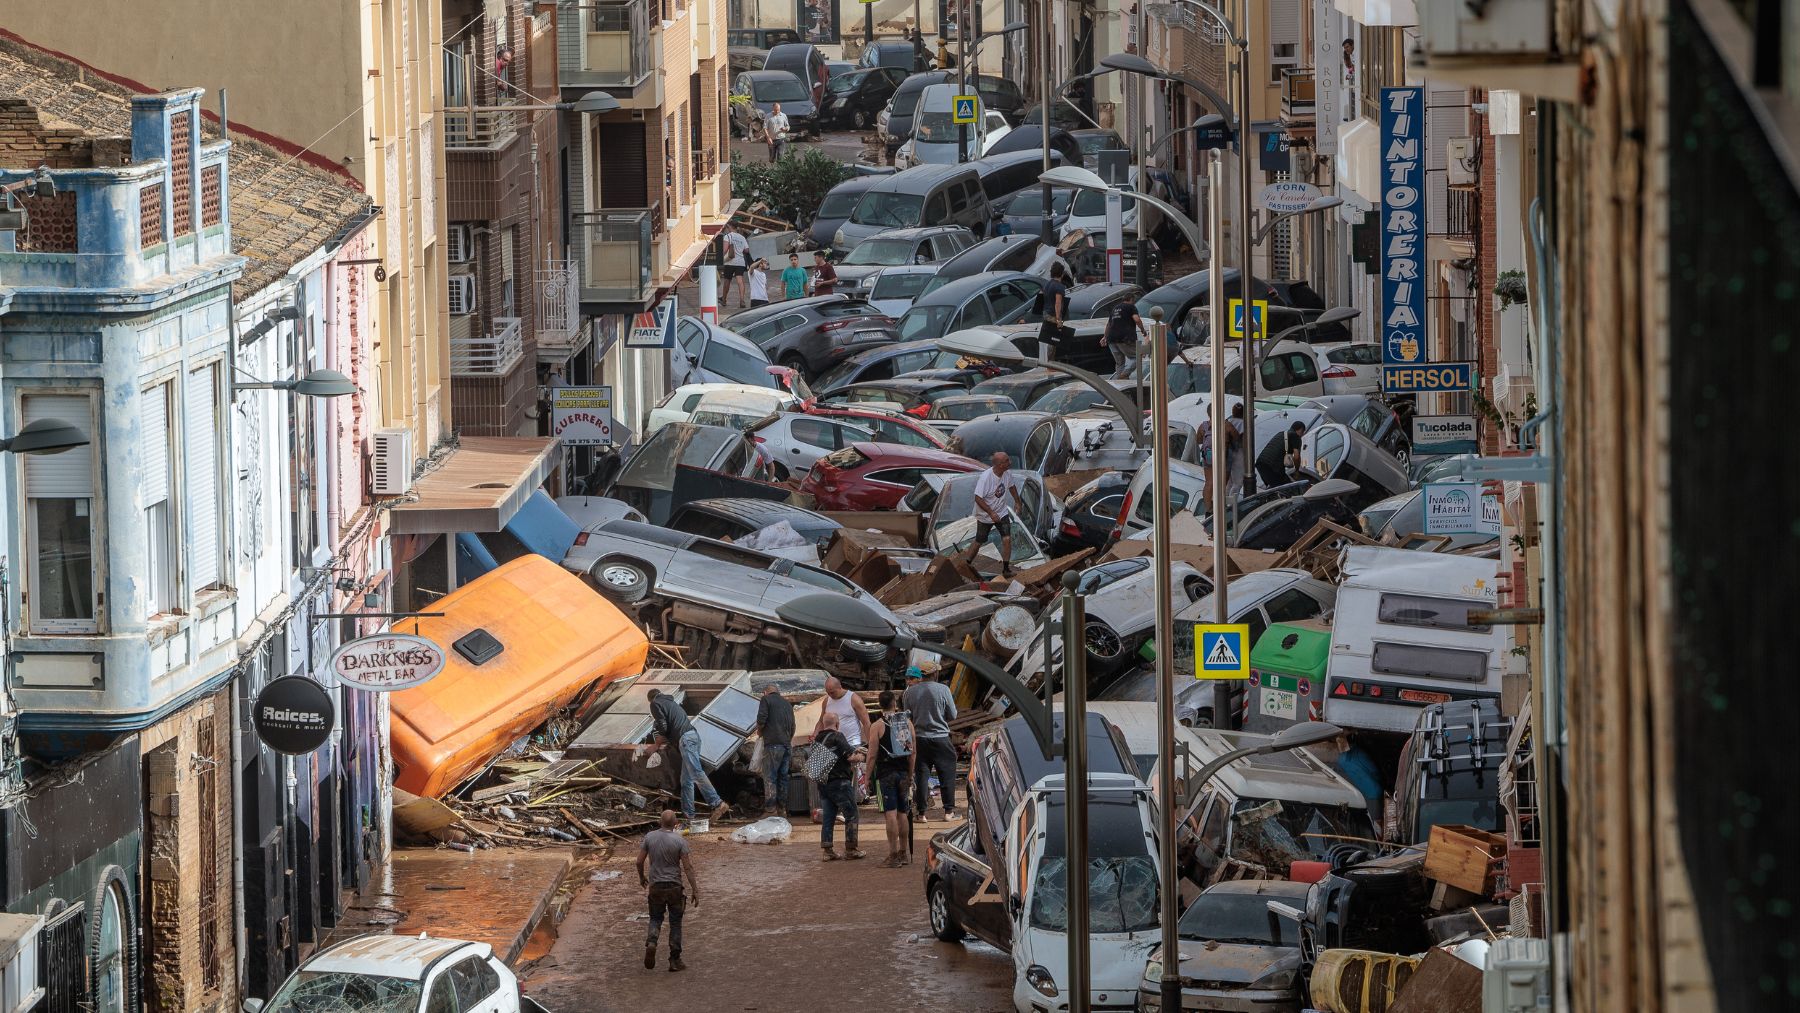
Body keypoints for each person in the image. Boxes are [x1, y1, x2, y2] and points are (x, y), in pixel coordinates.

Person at [649, 688, 729, 826]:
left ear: (651, 699)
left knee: (696, 772)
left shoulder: (655, 703)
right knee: (686, 781)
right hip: (693, 737)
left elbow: (663, 726)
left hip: (686, 740)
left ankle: (717, 803)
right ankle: (689, 816)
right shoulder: (671, 703)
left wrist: (656, 744)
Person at [637, 809, 701, 972]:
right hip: (674, 887)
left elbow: (639, 861)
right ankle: (674, 959)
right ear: (675, 824)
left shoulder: (650, 837)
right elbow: (687, 867)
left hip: (656, 886)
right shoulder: (680, 841)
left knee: (656, 918)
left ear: (660, 822)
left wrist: (642, 878)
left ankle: (652, 941)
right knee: (675, 923)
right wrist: (695, 889)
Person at [866, 690, 917, 867]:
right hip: (903, 772)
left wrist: (866, 778)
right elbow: (912, 753)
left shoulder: (877, 726)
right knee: (903, 813)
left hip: (886, 774)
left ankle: (893, 854)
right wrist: (910, 775)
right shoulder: (907, 723)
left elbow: (872, 755)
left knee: (890, 813)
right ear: (895, 704)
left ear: (880, 705)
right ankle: (904, 853)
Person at [902, 665, 959, 820]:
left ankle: (921, 814)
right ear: (936, 673)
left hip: (919, 739)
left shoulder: (909, 693)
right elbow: (952, 715)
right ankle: (948, 812)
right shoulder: (943, 689)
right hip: (941, 738)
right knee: (946, 774)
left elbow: (907, 718)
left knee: (921, 776)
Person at [812, 712, 867, 860]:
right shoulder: (837, 736)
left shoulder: (818, 738)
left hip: (823, 784)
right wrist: (862, 757)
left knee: (829, 817)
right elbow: (850, 756)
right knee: (852, 813)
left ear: (823, 724)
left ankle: (827, 851)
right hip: (840, 783)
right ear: (837, 724)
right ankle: (851, 849)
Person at [962, 451, 1024, 578]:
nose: (1010, 462)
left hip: (1001, 512)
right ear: (1000, 464)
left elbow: (1012, 487)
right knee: (980, 540)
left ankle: (1006, 569)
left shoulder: (1007, 474)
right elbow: (978, 498)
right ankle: (966, 563)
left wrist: (1018, 502)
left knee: (1007, 538)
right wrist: (990, 513)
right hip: (985, 516)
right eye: (1007, 461)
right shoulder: (986, 478)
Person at [755, 683, 796, 813]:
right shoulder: (787, 704)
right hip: (786, 745)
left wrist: (760, 732)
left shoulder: (765, 700)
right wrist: (788, 740)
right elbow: (793, 726)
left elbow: (761, 719)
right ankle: (782, 809)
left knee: (770, 777)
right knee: (783, 777)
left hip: (772, 745)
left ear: (765, 692)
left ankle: (770, 809)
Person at [1031, 263, 1070, 359]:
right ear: (1062, 274)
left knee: (1048, 340)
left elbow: (1042, 297)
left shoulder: (1047, 284)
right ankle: (1050, 363)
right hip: (1053, 315)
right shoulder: (1059, 287)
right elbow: (1058, 303)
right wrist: (1058, 320)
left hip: (1046, 313)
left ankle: (1048, 361)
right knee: (1054, 341)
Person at [1101, 297, 1146, 379]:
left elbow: (1109, 324)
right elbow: (1136, 319)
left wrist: (1104, 337)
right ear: (1131, 300)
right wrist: (1142, 330)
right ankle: (1124, 374)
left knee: (1119, 363)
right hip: (1125, 338)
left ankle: (1121, 382)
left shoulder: (1115, 308)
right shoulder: (1131, 307)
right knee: (1137, 356)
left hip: (1111, 339)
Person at [1257, 419, 1308, 489]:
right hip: (1273, 467)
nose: (1302, 434)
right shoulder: (1296, 437)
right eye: (1302, 432)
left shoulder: (1281, 433)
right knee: (1287, 487)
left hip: (1260, 463)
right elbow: (1296, 457)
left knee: (1275, 486)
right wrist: (1296, 471)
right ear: (1300, 430)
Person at [720, 223, 750, 307]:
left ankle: (724, 300)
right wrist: (739, 249)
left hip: (729, 262)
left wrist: (719, 259)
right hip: (740, 262)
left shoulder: (728, 236)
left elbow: (725, 250)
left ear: (729, 227)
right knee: (740, 281)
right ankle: (742, 300)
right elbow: (747, 250)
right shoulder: (742, 237)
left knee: (727, 280)